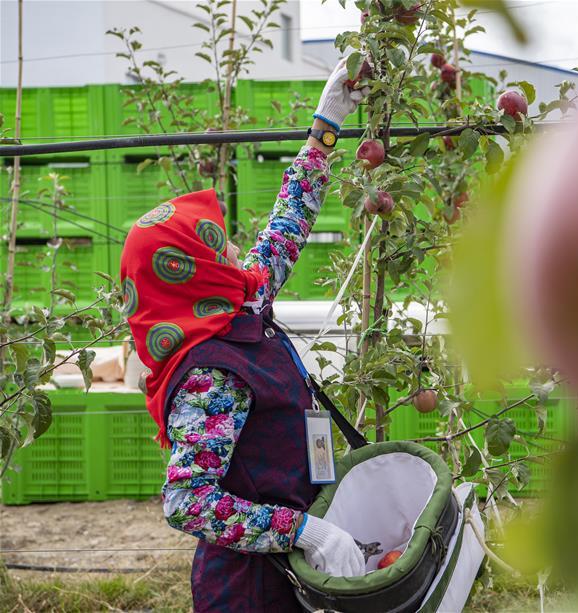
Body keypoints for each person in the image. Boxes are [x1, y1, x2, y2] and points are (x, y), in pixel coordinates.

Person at [120, 60, 369, 612]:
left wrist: (327, 123)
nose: (234, 245)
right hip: (252, 593)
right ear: (194, 271)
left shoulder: (239, 305)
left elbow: (284, 229)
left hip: (293, 575)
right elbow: (188, 501)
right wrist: (304, 531)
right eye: (216, 243)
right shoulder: (211, 375)